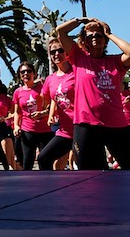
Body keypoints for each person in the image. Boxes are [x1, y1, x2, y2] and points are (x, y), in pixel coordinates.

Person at [55, 17, 130, 170]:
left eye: (99, 35)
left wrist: (109, 33)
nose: (95, 38)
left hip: (116, 124)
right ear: (85, 41)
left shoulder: (115, 62)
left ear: (105, 40)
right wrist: (81, 20)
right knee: (89, 172)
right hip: (86, 125)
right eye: (90, 36)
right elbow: (60, 31)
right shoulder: (78, 57)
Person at [38, 39, 75, 171]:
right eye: (52, 51)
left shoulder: (77, 73)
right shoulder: (50, 79)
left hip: (81, 128)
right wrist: (49, 112)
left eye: (60, 50)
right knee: (43, 158)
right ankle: (50, 189)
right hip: (64, 131)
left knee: (88, 166)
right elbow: (50, 100)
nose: (56, 54)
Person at [12, 61, 51, 170]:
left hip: (45, 131)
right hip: (28, 131)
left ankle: (47, 184)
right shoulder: (17, 92)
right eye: (22, 72)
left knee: (44, 161)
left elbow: (50, 107)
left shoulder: (42, 88)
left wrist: (43, 113)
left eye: (28, 71)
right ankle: (28, 185)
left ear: (34, 74)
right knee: (27, 161)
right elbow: (17, 112)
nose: (25, 74)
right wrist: (16, 126)